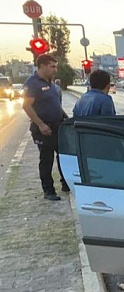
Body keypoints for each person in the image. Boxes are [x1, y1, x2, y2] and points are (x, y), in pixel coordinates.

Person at [23, 54, 69, 201]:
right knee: (46, 159)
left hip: (57, 125)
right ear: (42, 66)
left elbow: (55, 104)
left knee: (63, 155)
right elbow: (27, 106)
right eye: (52, 66)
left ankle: (65, 183)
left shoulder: (51, 82)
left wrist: (66, 118)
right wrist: (41, 124)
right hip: (44, 129)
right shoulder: (33, 83)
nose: (55, 69)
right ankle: (48, 190)